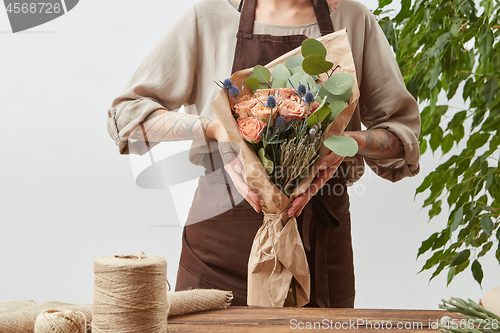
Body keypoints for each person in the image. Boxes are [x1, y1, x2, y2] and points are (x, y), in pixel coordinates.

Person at [106, 0, 420, 307]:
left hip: (319, 250)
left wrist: (347, 141)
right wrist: (213, 128)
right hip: (218, 249)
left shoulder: (353, 19)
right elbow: (128, 119)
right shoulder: (209, 17)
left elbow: (401, 137)